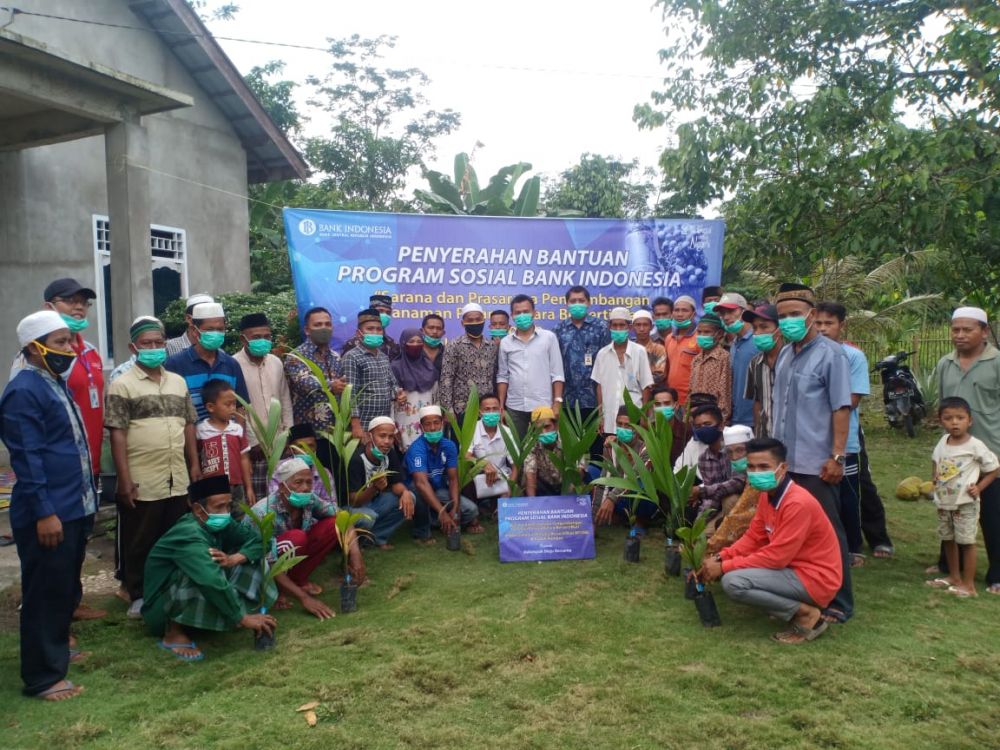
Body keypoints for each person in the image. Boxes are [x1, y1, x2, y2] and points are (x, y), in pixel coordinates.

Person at [1, 311, 98, 700]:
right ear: (33, 348)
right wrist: (45, 511)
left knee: (61, 588)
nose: (70, 349)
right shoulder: (24, 390)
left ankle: (57, 654)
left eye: (70, 341)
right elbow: (28, 457)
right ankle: (42, 678)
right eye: (60, 342)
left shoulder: (54, 382)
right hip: (49, 510)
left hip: (73, 505)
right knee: (43, 592)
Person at [11, 279, 107, 622]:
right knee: (52, 555)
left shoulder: (89, 351)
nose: (78, 307)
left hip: (85, 465)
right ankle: (51, 623)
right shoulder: (33, 365)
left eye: (84, 302)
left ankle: (72, 604)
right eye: (69, 301)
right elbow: (27, 442)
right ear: (49, 305)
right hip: (55, 476)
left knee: (75, 547)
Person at [700, 438, 842, 644]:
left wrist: (724, 566)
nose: (756, 472)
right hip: (794, 571)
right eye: (751, 467)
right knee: (732, 573)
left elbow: (777, 558)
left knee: (733, 582)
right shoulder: (769, 494)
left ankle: (808, 615)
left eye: (764, 466)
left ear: (783, 467)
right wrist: (720, 556)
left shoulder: (797, 503)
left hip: (815, 578)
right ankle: (791, 607)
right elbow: (753, 538)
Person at [105, 316, 199, 617]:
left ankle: (170, 587)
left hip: (177, 474)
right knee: (140, 538)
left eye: (159, 343)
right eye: (148, 344)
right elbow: (117, 433)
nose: (155, 348)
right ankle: (138, 594)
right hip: (143, 476)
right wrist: (124, 478)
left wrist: (194, 463)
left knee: (174, 534)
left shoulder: (177, 382)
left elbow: (188, 425)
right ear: (134, 347)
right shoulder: (122, 385)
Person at [771, 282, 854, 623]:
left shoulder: (831, 355)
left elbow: (841, 407)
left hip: (816, 462)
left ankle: (841, 602)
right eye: (783, 316)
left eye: (795, 314)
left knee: (829, 532)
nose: (789, 321)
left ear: (812, 315)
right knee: (792, 531)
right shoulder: (785, 354)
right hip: (786, 463)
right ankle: (804, 594)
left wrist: (836, 457)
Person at [141, 476, 278, 661]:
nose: (226, 512)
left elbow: (262, 541)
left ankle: (235, 613)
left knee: (251, 558)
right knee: (201, 570)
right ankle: (173, 633)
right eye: (219, 507)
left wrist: (235, 558)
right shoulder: (188, 533)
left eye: (228, 506)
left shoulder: (223, 523)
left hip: (198, 591)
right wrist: (241, 618)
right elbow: (209, 579)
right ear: (198, 509)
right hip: (161, 609)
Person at [931, 307, 1000, 593]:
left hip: (990, 451)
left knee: (993, 514)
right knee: (951, 508)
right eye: (955, 329)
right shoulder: (946, 363)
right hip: (955, 454)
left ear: (984, 331)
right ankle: (949, 566)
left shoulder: (996, 362)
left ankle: (996, 573)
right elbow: (944, 406)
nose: (959, 335)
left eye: (967, 329)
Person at [249, 458, 341, 618]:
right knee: (296, 537)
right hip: (259, 568)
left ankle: (297, 581)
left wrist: (355, 556)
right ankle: (276, 590)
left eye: (308, 482)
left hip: (286, 558)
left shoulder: (310, 499)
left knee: (333, 525)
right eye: (298, 482)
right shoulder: (263, 512)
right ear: (282, 487)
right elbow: (267, 562)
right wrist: (304, 599)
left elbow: (341, 515)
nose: (305, 488)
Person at [926, 397, 999, 598]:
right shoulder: (942, 441)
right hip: (944, 502)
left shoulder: (975, 446)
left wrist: (979, 487)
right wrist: (934, 477)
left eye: (960, 418)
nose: (954, 422)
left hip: (965, 504)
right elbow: (936, 460)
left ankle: (969, 585)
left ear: (970, 421)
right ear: (941, 421)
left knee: (966, 542)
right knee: (948, 539)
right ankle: (954, 577)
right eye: (948, 418)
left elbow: (993, 469)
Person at [815, 301, 870, 564]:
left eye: (829, 323)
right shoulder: (807, 353)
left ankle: (852, 546)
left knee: (847, 494)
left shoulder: (853, 357)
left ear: (841, 325)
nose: (823, 329)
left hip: (843, 441)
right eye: (818, 323)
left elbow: (851, 401)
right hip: (812, 438)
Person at [233, 313, 294, 500]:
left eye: (267, 336)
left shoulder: (275, 362)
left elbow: (284, 398)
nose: (263, 341)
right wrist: (252, 443)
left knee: (282, 497)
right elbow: (238, 408)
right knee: (259, 501)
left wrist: (288, 434)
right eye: (256, 337)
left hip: (280, 445)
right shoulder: (233, 364)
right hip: (254, 450)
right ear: (243, 339)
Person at [284, 306, 346, 471]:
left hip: (335, 434)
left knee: (337, 483)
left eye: (327, 324)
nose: (323, 328)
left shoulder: (336, 357)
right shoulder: (296, 356)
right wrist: (330, 385)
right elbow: (304, 383)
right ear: (307, 329)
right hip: (309, 437)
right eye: (318, 325)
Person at [164, 301, 249, 422]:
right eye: (209, 329)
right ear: (194, 330)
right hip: (192, 439)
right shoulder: (175, 364)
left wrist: (240, 438)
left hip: (228, 439)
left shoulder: (231, 364)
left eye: (220, 329)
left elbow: (240, 408)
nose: (216, 333)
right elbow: (172, 410)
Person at [406, 406, 482, 541]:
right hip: (419, 491)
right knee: (416, 489)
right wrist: (443, 513)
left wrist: (455, 508)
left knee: (471, 510)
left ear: (442, 423)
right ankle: (422, 532)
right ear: (422, 427)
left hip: (438, 490)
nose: (433, 428)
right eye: (427, 424)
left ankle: (437, 521)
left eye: (436, 423)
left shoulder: (449, 446)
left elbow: (453, 479)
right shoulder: (416, 449)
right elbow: (421, 483)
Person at [496, 294, 566, 437]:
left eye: (526, 311)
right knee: (517, 450)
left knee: (544, 449)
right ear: (512, 316)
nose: (522, 315)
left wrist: (557, 401)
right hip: (514, 406)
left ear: (534, 313)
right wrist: (501, 406)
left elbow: (557, 373)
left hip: (542, 405)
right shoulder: (506, 342)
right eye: (518, 312)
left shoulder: (549, 338)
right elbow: (503, 376)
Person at [346, 417, 415, 549]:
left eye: (390, 437)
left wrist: (405, 492)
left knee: (409, 497)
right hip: (354, 509)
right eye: (382, 436)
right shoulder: (356, 459)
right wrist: (374, 488)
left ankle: (377, 537)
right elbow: (353, 501)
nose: (387, 441)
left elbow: (396, 483)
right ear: (369, 435)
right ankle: (357, 540)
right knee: (368, 517)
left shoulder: (390, 453)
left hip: (375, 504)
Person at [342, 308, 407, 443]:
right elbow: (350, 393)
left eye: (378, 329)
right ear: (359, 333)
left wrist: (398, 394)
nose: (375, 332)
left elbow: (392, 383)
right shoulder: (352, 357)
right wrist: (356, 425)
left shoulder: (383, 356)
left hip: (383, 422)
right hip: (364, 425)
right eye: (370, 329)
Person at [554, 286, 611, 430]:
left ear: (589, 303)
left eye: (581, 300)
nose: (577, 304)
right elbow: (554, 365)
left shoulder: (601, 328)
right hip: (568, 399)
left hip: (595, 399)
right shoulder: (559, 330)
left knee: (596, 447)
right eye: (573, 301)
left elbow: (609, 362)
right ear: (567, 304)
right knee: (571, 449)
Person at [591, 307, 654, 436]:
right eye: (615, 325)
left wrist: (644, 416)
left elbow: (647, 386)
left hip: (633, 416)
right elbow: (599, 386)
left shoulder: (639, 351)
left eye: (622, 325)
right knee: (611, 453)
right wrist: (600, 416)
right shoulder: (602, 354)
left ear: (629, 327)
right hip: (609, 417)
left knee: (633, 454)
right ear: (609, 327)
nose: (618, 329)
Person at [594, 406, 656, 532]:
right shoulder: (610, 447)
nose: (623, 429)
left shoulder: (646, 449)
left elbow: (632, 478)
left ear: (637, 428)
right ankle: (611, 516)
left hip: (641, 499)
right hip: (619, 497)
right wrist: (593, 515)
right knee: (593, 476)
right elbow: (605, 480)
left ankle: (641, 522)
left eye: (628, 425)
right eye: (619, 424)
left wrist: (611, 499)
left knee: (640, 484)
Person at [195, 379, 254, 509]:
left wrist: (248, 488)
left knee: (239, 519)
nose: (233, 409)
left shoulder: (237, 429)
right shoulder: (200, 431)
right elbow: (196, 458)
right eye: (228, 405)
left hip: (237, 487)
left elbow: (244, 459)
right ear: (211, 407)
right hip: (211, 489)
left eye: (234, 404)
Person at [439, 303, 499, 424]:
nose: (475, 323)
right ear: (463, 323)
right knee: (464, 443)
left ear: (483, 320)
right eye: (470, 320)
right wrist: (448, 410)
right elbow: (446, 378)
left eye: (478, 319)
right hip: (462, 409)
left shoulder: (491, 346)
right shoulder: (454, 345)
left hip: (487, 410)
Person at [688, 408, 747, 524]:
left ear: (721, 425)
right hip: (718, 507)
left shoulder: (734, 449)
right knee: (703, 535)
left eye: (707, 424)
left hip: (742, 501)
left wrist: (701, 490)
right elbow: (712, 496)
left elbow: (738, 483)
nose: (703, 429)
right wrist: (700, 522)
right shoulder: (704, 459)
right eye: (698, 427)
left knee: (730, 500)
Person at [706, 429, 759, 553]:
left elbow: (738, 515)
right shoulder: (727, 462)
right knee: (703, 537)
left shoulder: (758, 475)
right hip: (725, 512)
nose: (735, 457)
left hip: (747, 518)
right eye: (730, 452)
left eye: (740, 450)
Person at [392, 327, 439, 449]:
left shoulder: (429, 366)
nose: (415, 345)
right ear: (403, 343)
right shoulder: (395, 367)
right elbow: (391, 399)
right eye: (411, 341)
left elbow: (436, 396)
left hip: (427, 421)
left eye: (419, 341)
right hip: (404, 421)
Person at [269, 423, 337, 507]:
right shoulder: (277, 470)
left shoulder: (324, 473)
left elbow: (332, 507)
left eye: (310, 446)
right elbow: (274, 503)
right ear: (291, 449)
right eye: (301, 446)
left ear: (316, 447)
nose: (306, 451)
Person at [715, 293, 755, 428]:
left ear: (745, 311)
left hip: (754, 418)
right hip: (736, 417)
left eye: (732, 311)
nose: (726, 317)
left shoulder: (758, 342)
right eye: (722, 313)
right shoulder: (734, 344)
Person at [742, 304, 782, 438]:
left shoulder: (795, 360)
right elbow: (757, 402)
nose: (758, 332)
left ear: (779, 329)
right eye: (755, 328)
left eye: (764, 327)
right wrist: (758, 434)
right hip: (766, 436)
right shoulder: (754, 364)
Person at [689, 312, 732, 421]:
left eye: (707, 332)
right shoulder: (696, 360)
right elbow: (690, 390)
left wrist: (721, 419)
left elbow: (724, 392)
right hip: (695, 417)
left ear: (719, 334)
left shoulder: (723, 358)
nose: (702, 335)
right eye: (699, 332)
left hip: (714, 419)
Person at [665, 295, 700, 405]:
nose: (680, 314)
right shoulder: (669, 338)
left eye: (684, 310)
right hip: (671, 400)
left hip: (692, 401)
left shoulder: (700, 338)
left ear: (693, 314)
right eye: (677, 310)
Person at [341, 293, 400, 359]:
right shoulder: (352, 344)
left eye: (388, 312)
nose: (384, 315)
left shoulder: (392, 344)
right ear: (371, 312)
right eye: (380, 311)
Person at [649, 385, 690, 464]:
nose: (662, 407)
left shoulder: (687, 431)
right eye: (658, 404)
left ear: (676, 405)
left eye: (667, 403)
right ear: (653, 407)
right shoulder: (649, 430)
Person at [631, 310, 667, 384]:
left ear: (651, 327)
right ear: (632, 327)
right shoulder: (628, 348)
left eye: (645, 325)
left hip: (654, 391)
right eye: (638, 325)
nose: (642, 329)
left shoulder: (658, 349)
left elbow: (659, 375)